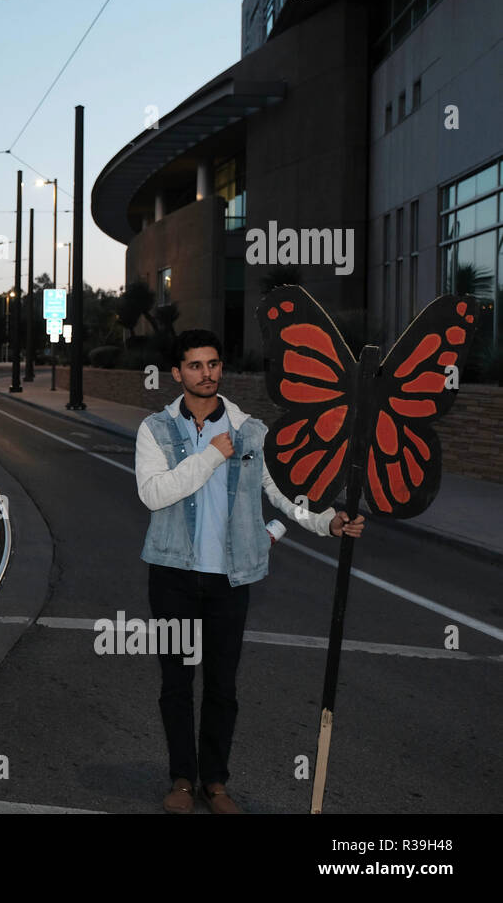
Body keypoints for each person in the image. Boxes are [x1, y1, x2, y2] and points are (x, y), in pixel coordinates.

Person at [135, 329, 364, 814]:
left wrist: (326, 522)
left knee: (222, 685)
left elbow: (280, 495)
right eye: (195, 366)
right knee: (176, 683)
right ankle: (181, 779)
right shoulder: (154, 430)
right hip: (172, 573)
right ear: (177, 374)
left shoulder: (250, 431)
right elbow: (154, 494)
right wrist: (211, 455)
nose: (207, 374)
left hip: (228, 578)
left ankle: (215, 783)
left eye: (213, 364)